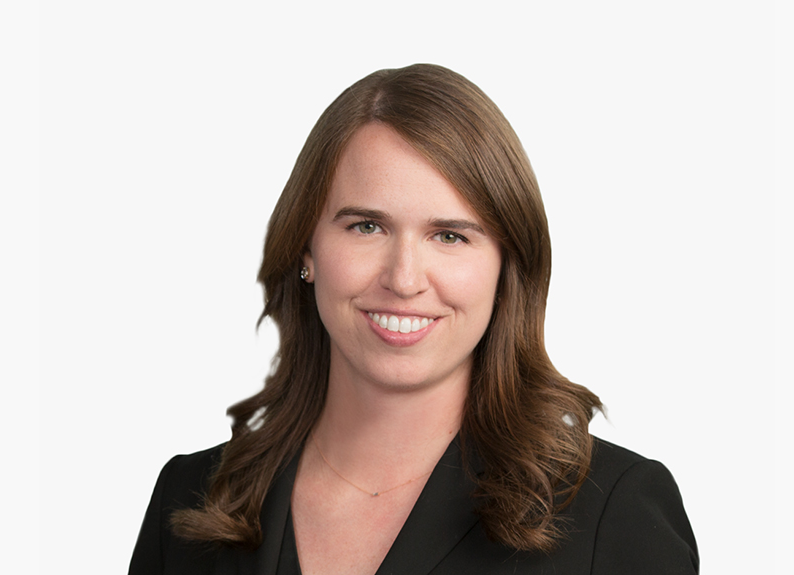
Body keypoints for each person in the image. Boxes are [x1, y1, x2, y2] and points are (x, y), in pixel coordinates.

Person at [129, 63, 699, 574]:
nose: (404, 279)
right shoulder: (189, 502)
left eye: (449, 235)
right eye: (365, 227)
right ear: (306, 249)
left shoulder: (613, 513)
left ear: (506, 268)